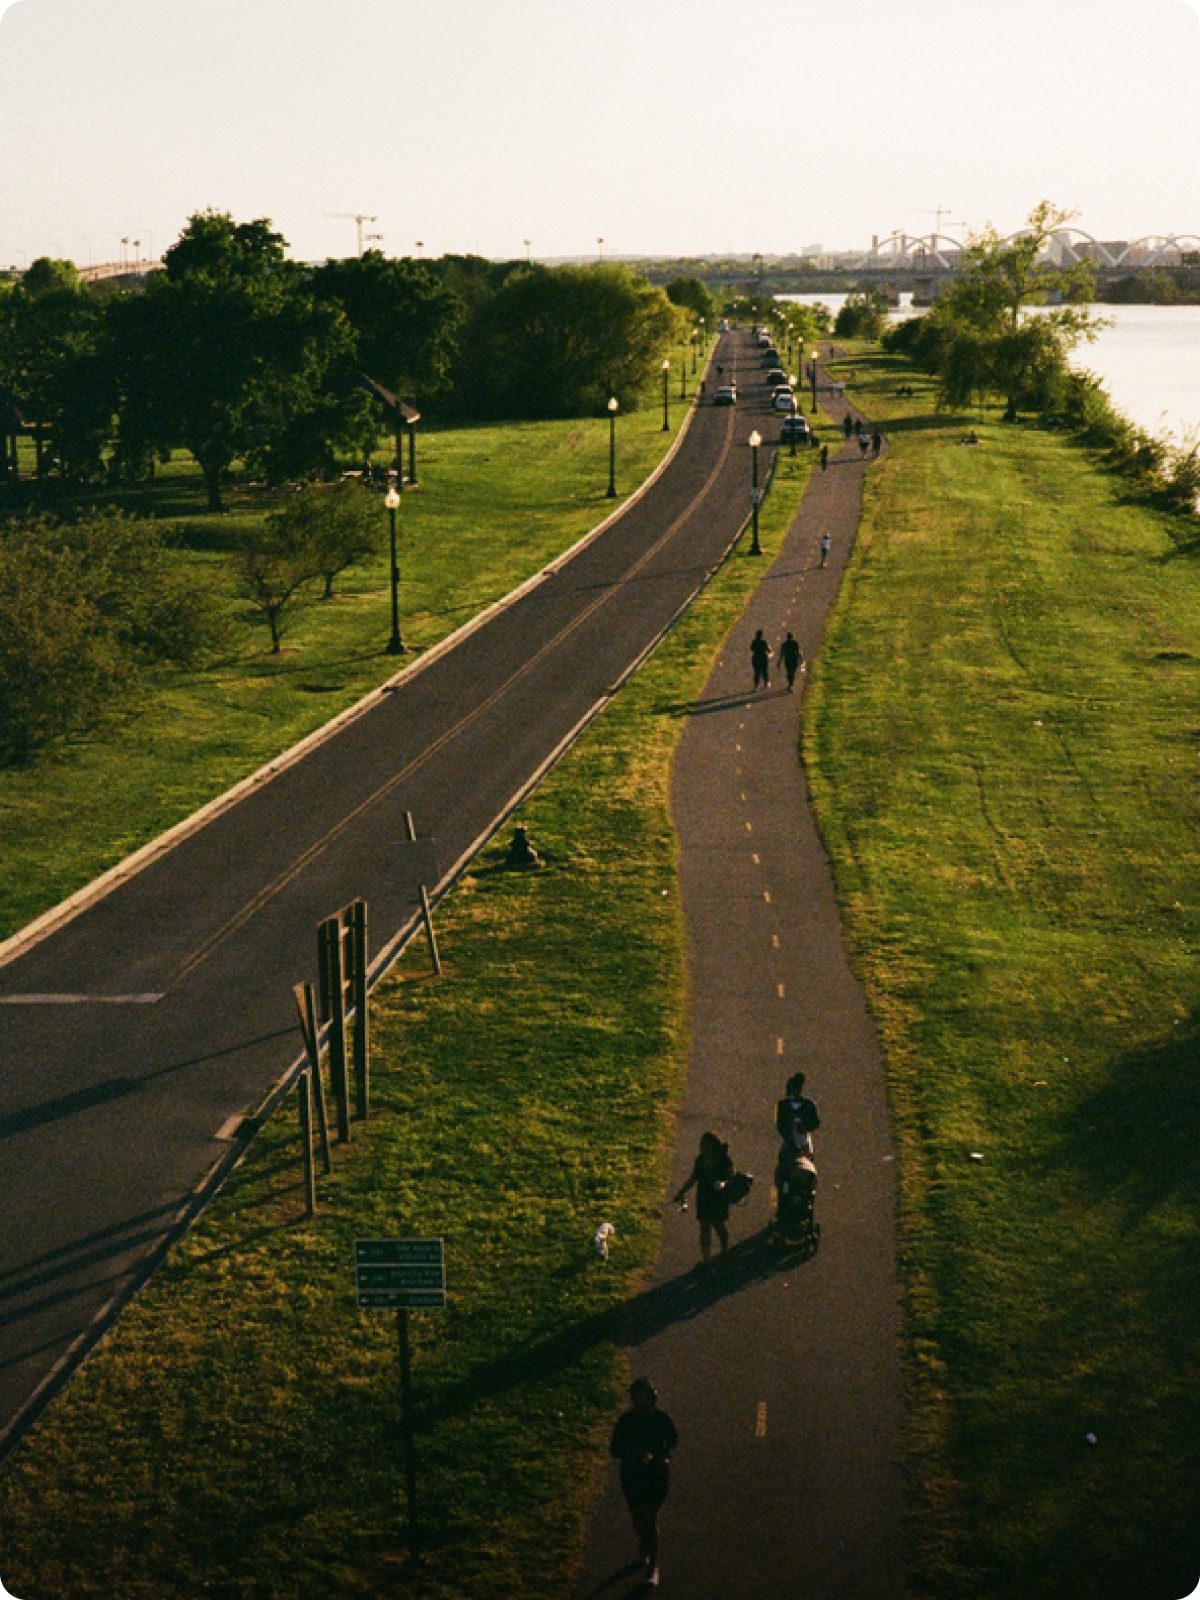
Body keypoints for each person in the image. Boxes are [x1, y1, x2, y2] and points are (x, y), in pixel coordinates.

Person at [610, 1378, 679, 1586]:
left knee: (649, 1518)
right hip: (632, 1475)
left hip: (655, 1475)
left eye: (646, 1396)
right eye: (638, 1397)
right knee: (638, 1518)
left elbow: (673, 1441)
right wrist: (633, 1455)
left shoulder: (662, 1419)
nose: (643, 1400)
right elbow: (615, 1449)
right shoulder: (626, 1421)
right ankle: (644, 1545)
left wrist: (662, 1456)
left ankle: (652, 1567)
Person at [673, 1130, 735, 1261]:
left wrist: (723, 1184)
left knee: (718, 1225)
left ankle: (725, 1250)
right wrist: (681, 1191)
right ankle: (706, 1258)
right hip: (704, 1197)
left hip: (718, 1199)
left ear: (711, 1146)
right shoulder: (700, 1160)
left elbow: (730, 1179)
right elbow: (694, 1178)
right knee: (704, 1228)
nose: (700, 1147)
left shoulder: (725, 1161)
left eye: (703, 1144)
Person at [776, 1071, 821, 1154]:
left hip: (803, 1139)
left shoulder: (809, 1105)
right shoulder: (783, 1105)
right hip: (788, 1140)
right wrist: (789, 1138)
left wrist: (805, 1127)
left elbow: (816, 1122)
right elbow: (780, 1124)